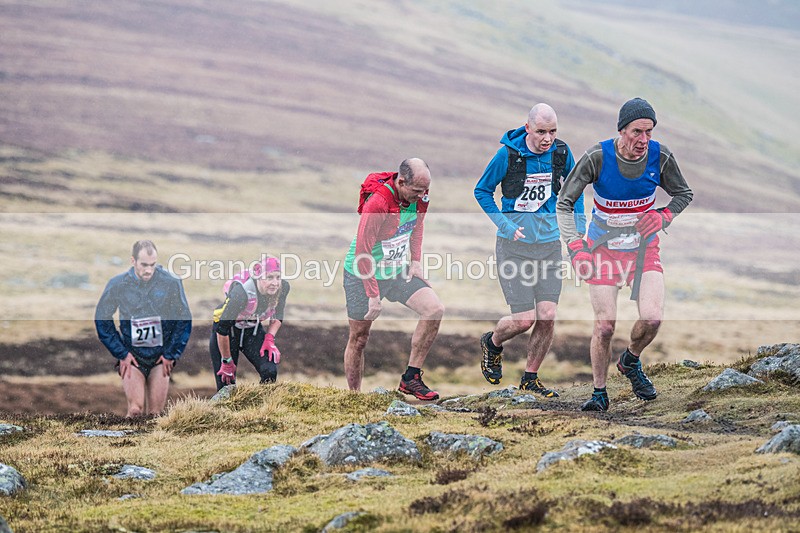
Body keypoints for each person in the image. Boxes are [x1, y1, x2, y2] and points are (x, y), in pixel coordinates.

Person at [556, 97, 693, 411]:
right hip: (602, 249)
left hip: (644, 251)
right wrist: (575, 246)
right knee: (605, 326)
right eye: (636, 132)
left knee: (653, 318)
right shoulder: (597, 157)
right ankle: (599, 393)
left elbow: (683, 193)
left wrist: (664, 215)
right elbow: (564, 203)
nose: (643, 140)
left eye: (649, 132)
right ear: (621, 130)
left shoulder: (660, 157)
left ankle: (630, 360)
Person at [474, 103, 586, 397]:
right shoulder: (507, 155)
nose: (547, 138)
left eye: (552, 131)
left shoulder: (561, 153)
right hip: (514, 247)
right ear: (527, 128)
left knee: (547, 315)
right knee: (524, 320)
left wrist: (579, 233)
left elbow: (575, 192)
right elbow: (482, 191)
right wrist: (506, 225)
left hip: (548, 245)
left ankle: (530, 378)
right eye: (540, 132)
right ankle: (493, 343)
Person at [342, 158, 445, 400]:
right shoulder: (378, 203)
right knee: (359, 339)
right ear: (401, 182)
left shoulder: (420, 197)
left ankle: (411, 378)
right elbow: (362, 253)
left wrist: (416, 261)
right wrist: (373, 294)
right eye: (417, 191)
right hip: (362, 273)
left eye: (425, 190)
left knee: (434, 309)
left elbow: (417, 226)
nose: (422, 196)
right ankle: (354, 397)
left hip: (396, 270)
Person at [95, 240, 192, 417]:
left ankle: (153, 445)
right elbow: (102, 319)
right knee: (135, 411)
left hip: (160, 358)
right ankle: (130, 444)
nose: (148, 270)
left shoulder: (171, 283)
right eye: (144, 265)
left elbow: (183, 319)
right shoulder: (118, 284)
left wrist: (171, 354)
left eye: (152, 265)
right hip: (133, 357)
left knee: (156, 415)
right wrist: (121, 353)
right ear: (133, 261)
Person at [210, 256, 290, 390]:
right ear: (258, 277)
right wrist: (226, 360)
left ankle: (263, 409)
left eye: (278, 277)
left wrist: (269, 339)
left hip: (252, 330)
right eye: (269, 277)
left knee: (269, 372)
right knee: (227, 384)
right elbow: (222, 329)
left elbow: (278, 315)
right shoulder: (241, 294)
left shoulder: (283, 287)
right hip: (228, 333)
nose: (275, 283)